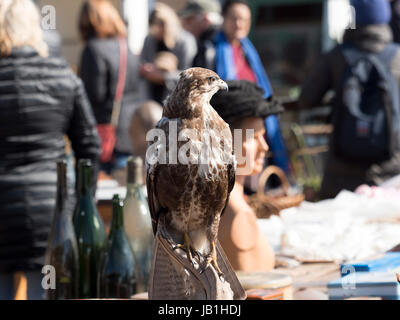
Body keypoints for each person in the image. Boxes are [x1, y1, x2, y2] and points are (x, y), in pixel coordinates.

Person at [0, 0, 100, 299]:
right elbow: (89, 146)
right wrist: (85, 199)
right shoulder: (63, 75)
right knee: (45, 289)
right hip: (52, 207)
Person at [298, 0, 400, 199]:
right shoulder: (397, 56)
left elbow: (306, 99)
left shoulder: (337, 56)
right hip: (390, 172)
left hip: (341, 175)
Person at [211, 80, 282, 272]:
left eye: (263, 136)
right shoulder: (237, 214)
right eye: (254, 137)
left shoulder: (213, 199)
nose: (264, 147)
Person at [214, 0, 289, 182]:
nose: (239, 24)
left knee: (255, 178)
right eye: (235, 18)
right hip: (230, 129)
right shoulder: (211, 50)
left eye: (245, 19)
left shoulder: (248, 52)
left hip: (253, 128)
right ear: (224, 19)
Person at [79, 0, 142, 174]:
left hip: (104, 136)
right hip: (129, 131)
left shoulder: (93, 49)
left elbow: (93, 95)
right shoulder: (125, 46)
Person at [140, 2, 197, 105]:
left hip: (176, 100)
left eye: (161, 26)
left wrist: (164, 76)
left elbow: (190, 75)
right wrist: (146, 69)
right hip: (151, 97)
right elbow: (142, 63)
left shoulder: (185, 42)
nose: (157, 31)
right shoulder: (150, 40)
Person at [179, 0, 222, 69]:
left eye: (189, 19)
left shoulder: (213, 46)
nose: (184, 23)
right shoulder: (200, 42)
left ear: (206, 19)